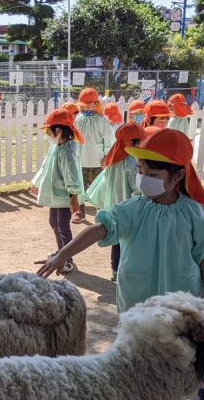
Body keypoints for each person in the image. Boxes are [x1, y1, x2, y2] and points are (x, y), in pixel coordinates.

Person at [36, 129, 204, 400]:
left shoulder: (192, 212)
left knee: (198, 353)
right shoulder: (132, 209)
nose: (143, 178)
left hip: (184, 302)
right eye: (140, 170)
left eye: (152, 173)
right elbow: (98, 229)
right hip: (139, 301)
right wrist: (62, 254)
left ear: (177, 176)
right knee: (144, 359)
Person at [85, 122, 145, 282]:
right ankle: (125, 270)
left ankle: (115, 269)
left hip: (113, 208)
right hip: (130, 208)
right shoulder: (133, 162)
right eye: (141, 141)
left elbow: (104, 184)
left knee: (117, 240)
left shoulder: (113, 159)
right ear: (133, 142)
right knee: (129, 240)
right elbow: (136, 188)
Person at [30, 108, 85, 275]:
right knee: (54, 223)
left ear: (59, 131)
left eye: (48, 130)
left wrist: (74, 196)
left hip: (64, 196)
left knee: (63, 226)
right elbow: (45, 166)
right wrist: (36, 182)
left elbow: (72, 174)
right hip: (56, 195)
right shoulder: (55, 147)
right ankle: (61, 251)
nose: (47, 134)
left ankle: (67, 258)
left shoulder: (68, 150)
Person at [73, 88, 114, 224]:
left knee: (100, 187)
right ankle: (80, 211)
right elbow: (74, 138)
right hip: (81, 160)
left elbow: (109, 140)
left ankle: (100, 211)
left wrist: (107, 157)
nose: (85, 109)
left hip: (98, 161)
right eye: (82, 107)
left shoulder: (102, 120)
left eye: (88, 106)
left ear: (96, 104)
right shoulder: (78, 119)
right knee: (79, 187)